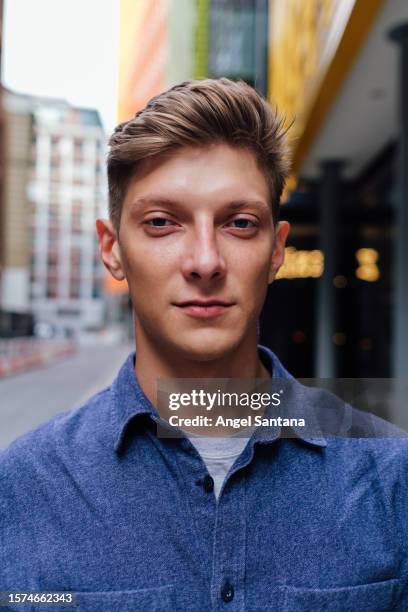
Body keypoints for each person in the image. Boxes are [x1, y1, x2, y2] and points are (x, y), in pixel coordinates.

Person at [0, 78, 407, 611]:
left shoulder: (391, 476)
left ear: (277, 249)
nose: (205, 261)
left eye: (239, 223)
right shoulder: (24, 488)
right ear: (112, 248)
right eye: (162, 223)